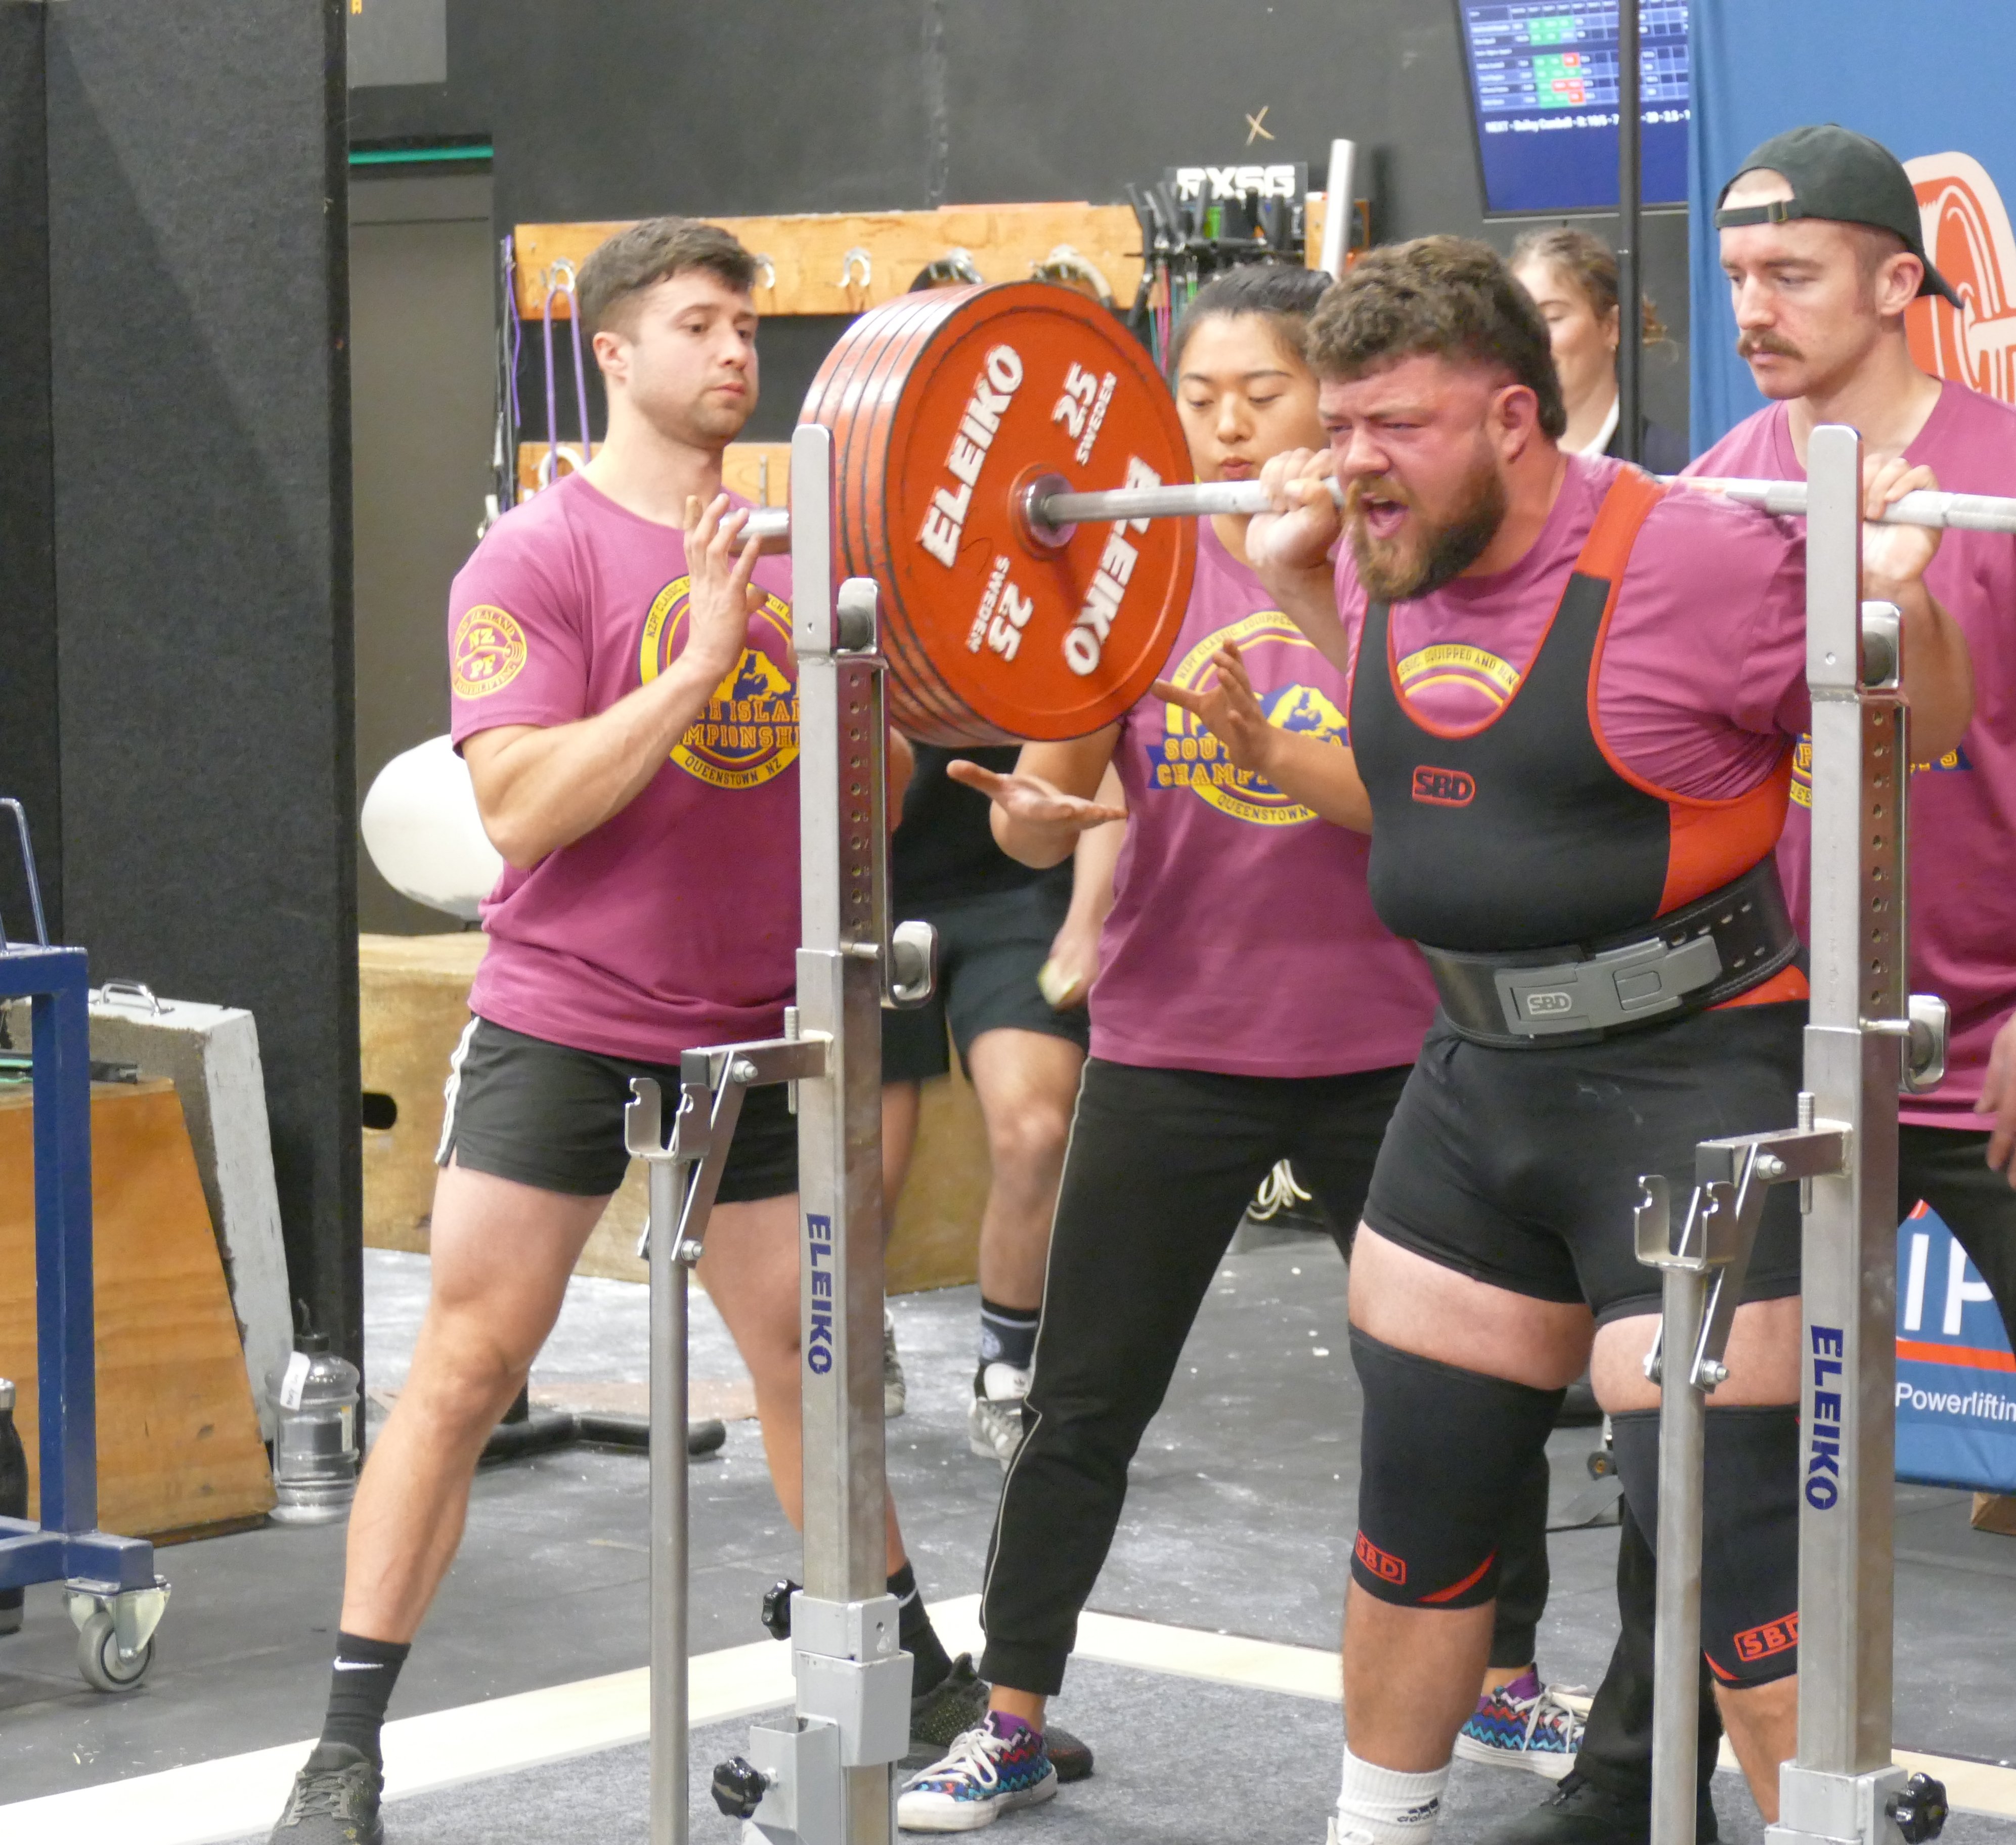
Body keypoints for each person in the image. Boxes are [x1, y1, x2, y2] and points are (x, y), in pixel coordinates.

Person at [1502, 125, 2016, 1845]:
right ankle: (1631, 1789)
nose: (1752, 309)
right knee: (1690, 1443)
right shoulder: (1708, 496)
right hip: (1772, 1045)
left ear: (1899, 283)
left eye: (1794, 276)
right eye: (1738, 278)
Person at [1220, 233, 1967, 1844]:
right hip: (1477, 1087)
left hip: (1696, 1084)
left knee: (1745, 1560)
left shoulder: (1698, 559)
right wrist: (1295, 582)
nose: (1356, 464)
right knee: (1414, 1529)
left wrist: (1904, 612)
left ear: (1510, 418)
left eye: (1394, 428)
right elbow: (1428, 773)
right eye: (1340, 427)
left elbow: (1943, 730)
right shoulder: (1378, 551)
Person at [268, 219, 967, 1844]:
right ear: (615, 354)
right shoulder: (537, 559)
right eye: (701, 325)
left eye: (749, 328)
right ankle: (343, 1750)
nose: (737, 355)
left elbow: (871, 792)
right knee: (463, 1367)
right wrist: (703, 664)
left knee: (822, 1369)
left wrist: (891, 729)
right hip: (569, 1025)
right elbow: (519, 807)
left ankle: (913, 1664)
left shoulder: (809, 550)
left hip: (758, 1038)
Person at [895, 263, 1577, 1832]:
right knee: (1084, 1403)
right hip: (1176, 1046)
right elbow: (1040, 788)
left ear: (1329, 408)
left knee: (1468, 1387)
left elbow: (1424, 795)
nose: (1226, 426)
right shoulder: (1129, 576)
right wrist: (1032, 807)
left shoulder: (1408, 580)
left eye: (1258, 397)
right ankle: (1009, 1714)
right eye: (1197, 399)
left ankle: (1509, 1675)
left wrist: (1278, 735)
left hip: (1389, 1050)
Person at [875, 738, 1112, 1455]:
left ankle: (1004, 1369)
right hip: (863, 886)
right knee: (861, 1166)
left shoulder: (1066, 622)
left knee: (1036, 1129)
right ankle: (852, 1333)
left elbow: (1107, 755)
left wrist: (1088, 920)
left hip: (1018, 884)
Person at [1510, 226, 1688, 473]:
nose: (1531, 338)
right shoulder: (1497, 471)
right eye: (1519, 321)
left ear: (1612, 326)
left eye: (1552, 317)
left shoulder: (1672, 472)